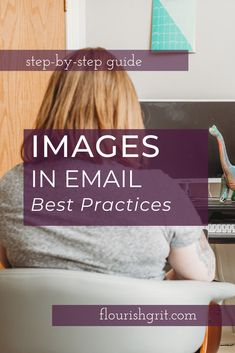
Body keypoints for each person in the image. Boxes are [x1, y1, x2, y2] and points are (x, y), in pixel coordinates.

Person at [0, 49, 215, 281]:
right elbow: (203, 274)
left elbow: (10, 263)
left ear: (53, 107)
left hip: (36, 318)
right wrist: (161, 283)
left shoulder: (11, 186)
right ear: (127, 112)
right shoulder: (161, 192)